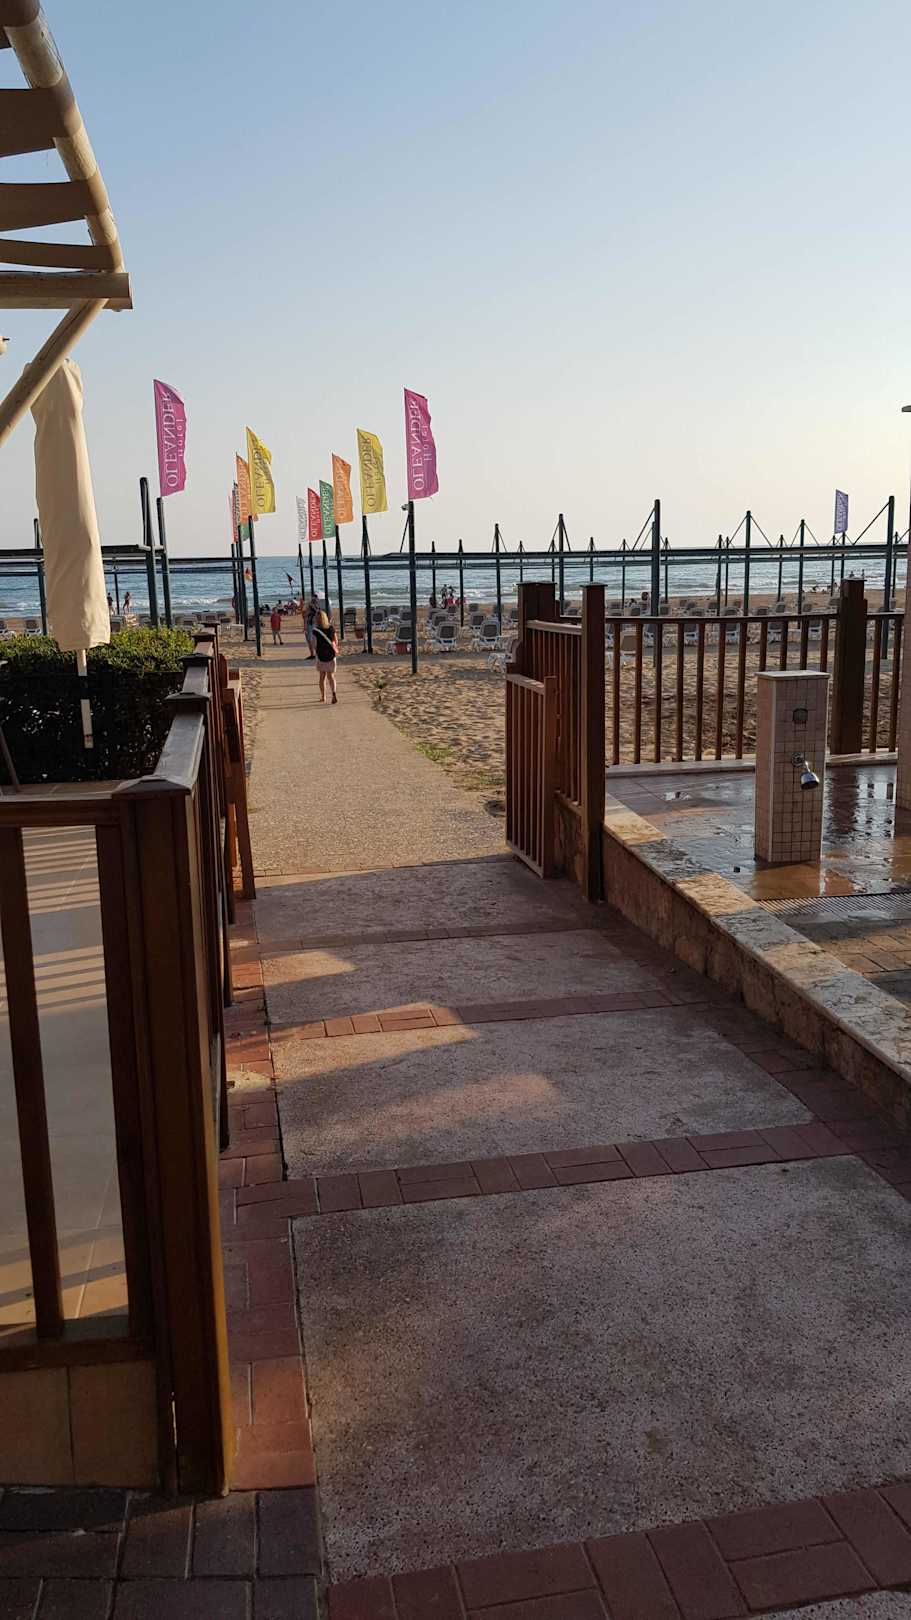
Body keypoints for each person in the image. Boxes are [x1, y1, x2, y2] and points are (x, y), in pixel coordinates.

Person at [313, 610, 338, 703]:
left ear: (317, 620)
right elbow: (336, 641)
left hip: (321, 656)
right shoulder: (331, 628)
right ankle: (334, 693)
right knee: (331, 676)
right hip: (331, 655)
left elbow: (314, 644)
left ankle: (323, 697)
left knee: (322, 677)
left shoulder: (315, 631)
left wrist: (318, 650)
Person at [304, 595, 320, 659]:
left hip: (310, 624)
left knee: (310, 640)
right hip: (314, 624)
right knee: (313, 640)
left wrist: (305, 627)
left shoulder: (311, 607)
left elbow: (305, 616)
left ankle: (313, 654)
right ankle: (315, 654)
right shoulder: (318, 607)